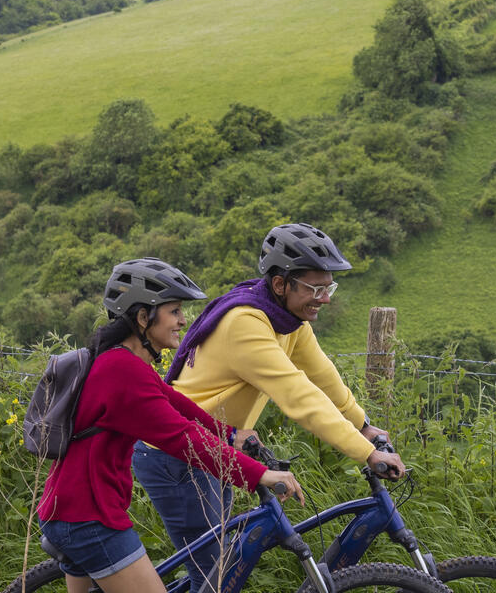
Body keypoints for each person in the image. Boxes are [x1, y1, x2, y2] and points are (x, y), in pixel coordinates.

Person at [134, 223, 403, 593]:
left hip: (217, 447)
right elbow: (298, 396)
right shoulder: (246, 323)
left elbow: (322, 376)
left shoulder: (288, 321)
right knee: (215, 581)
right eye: (315, 288)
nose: (325, 298)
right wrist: (366, 453)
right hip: (178, 454)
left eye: (329, 288)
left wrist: (364, 426)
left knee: (219, 570)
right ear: (281, 285)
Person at [37, 258, 304, 593]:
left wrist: (231, 435)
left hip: (73, 510)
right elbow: (182, 438)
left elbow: (180, 406)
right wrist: (258, 474)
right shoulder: (123, 372)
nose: (183, 320)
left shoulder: (123, 361)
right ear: (142, 317)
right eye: (175, 310)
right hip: (89, 520)